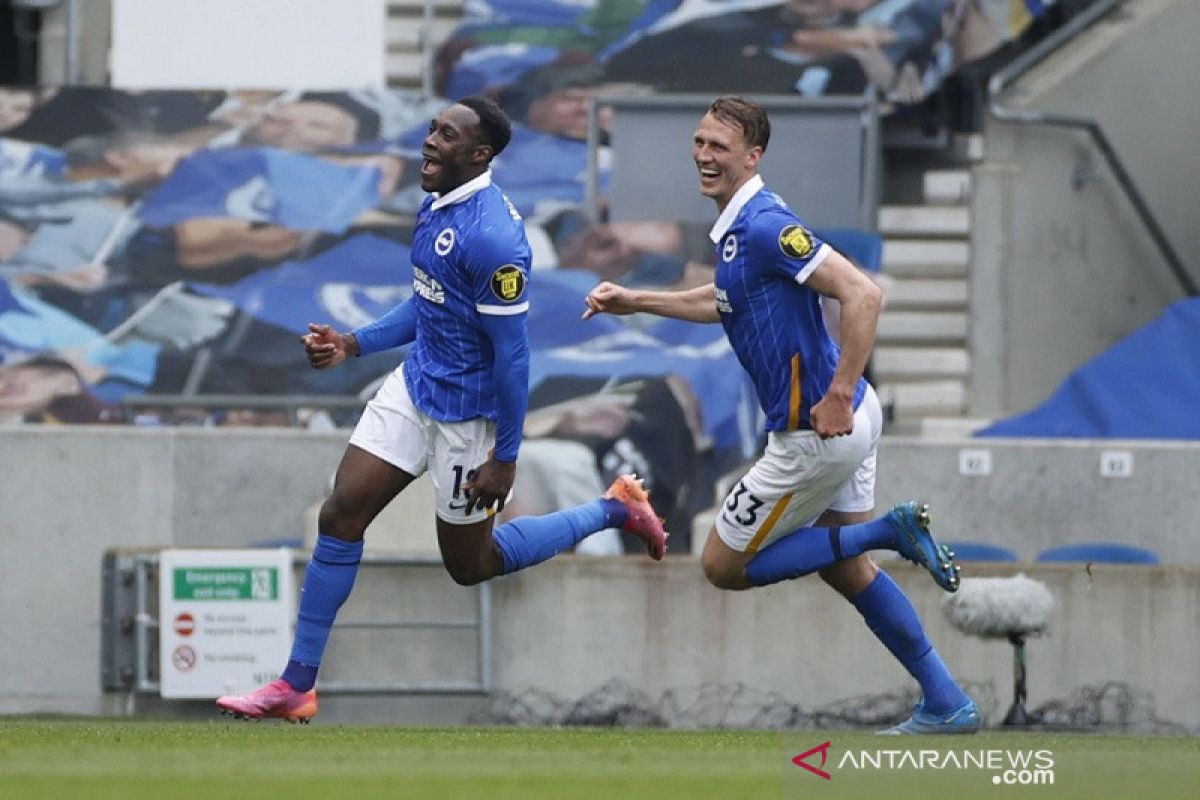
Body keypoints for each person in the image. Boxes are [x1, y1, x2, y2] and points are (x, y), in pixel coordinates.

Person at [215, 96, 668, 723]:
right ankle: (296, 684)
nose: (430, 142)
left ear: (479, 155)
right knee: (342, 513)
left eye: (447, 136)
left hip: (468, 418)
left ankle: (614, 508)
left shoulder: (493, 241)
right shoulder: (434, 203)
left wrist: (505, 459)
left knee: (470, 565)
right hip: (415, 385)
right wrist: (353, 344)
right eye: (432, 128)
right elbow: (429, 302)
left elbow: (514, 360)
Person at [582, 95, 978, 735]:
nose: (704, 156)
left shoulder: (765, 225)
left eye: (720, 147)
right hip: (847, 424)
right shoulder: (741, 230)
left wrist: (841, 392)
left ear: (753, 156)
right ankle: (946, 700)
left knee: (721, 566)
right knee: (845, 567)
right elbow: (725, 300)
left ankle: (890, 531)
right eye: (700, 142)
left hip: (816, 433)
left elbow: (864, 293)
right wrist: (638, 299)